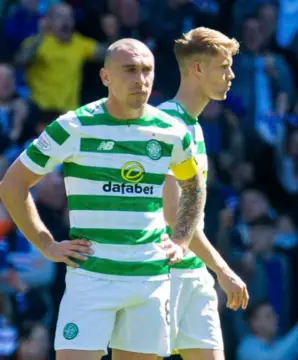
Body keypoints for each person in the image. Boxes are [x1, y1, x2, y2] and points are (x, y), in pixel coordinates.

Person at [0, 38, 206, 360]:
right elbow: (12, 186)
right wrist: (47, 244)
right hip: (90, 279)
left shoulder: (171, 132)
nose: (141, 79)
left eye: (146, 70)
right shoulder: (72, 126)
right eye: (129, 70)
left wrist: (181, 239)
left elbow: (194, 187)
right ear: (105, 77)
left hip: (148, 280)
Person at [157, 27, 249, 360]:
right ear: (197, 68)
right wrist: (222, 269)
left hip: (192, 272)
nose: (231, 74)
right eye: (224, 67)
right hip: (161, 274)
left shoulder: (193, 125)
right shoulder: (167, 125)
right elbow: (174, 216)